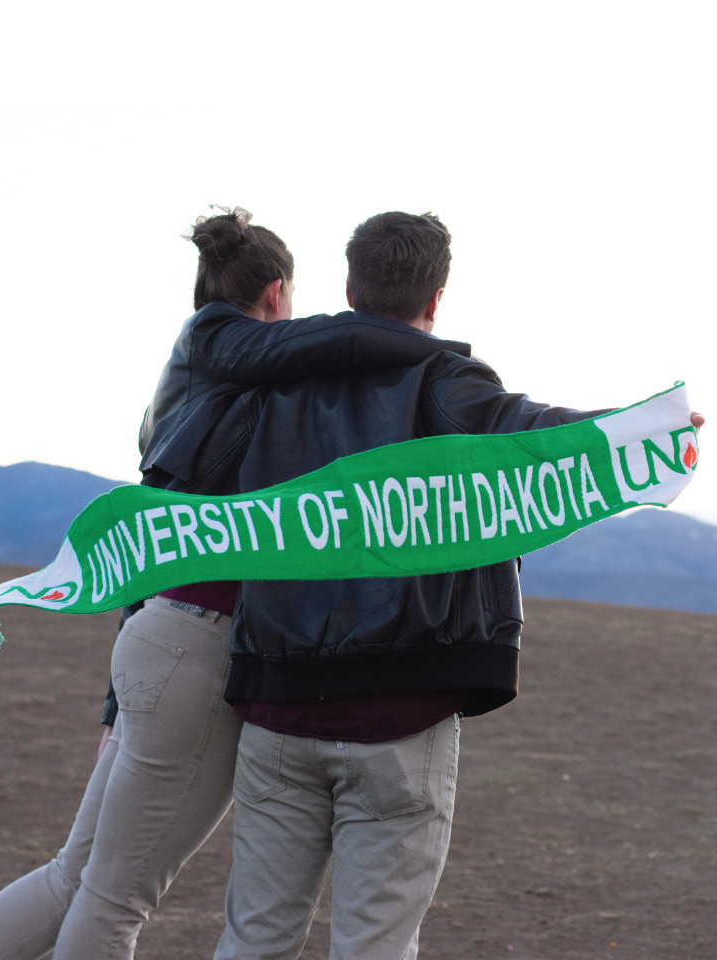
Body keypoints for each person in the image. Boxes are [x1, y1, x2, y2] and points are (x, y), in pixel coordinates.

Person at [0, 209, 472, 960]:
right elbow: (342, 338)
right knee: (114, 894)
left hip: (160, 633)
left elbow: (153, 535)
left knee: (77, 874)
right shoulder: (220, 342)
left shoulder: (200, 385)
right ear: (276, 293)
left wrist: (111, 704)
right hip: (200, 646)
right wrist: (433, 347)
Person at [178, 211, 703, 960]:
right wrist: (644, 431)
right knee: (375, 947)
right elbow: (528, 438)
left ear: (351, 287)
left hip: (276, 704)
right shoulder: (445, 382)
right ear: (436, 298)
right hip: (403, 713)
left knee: (254, 938)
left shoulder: (274, 386)